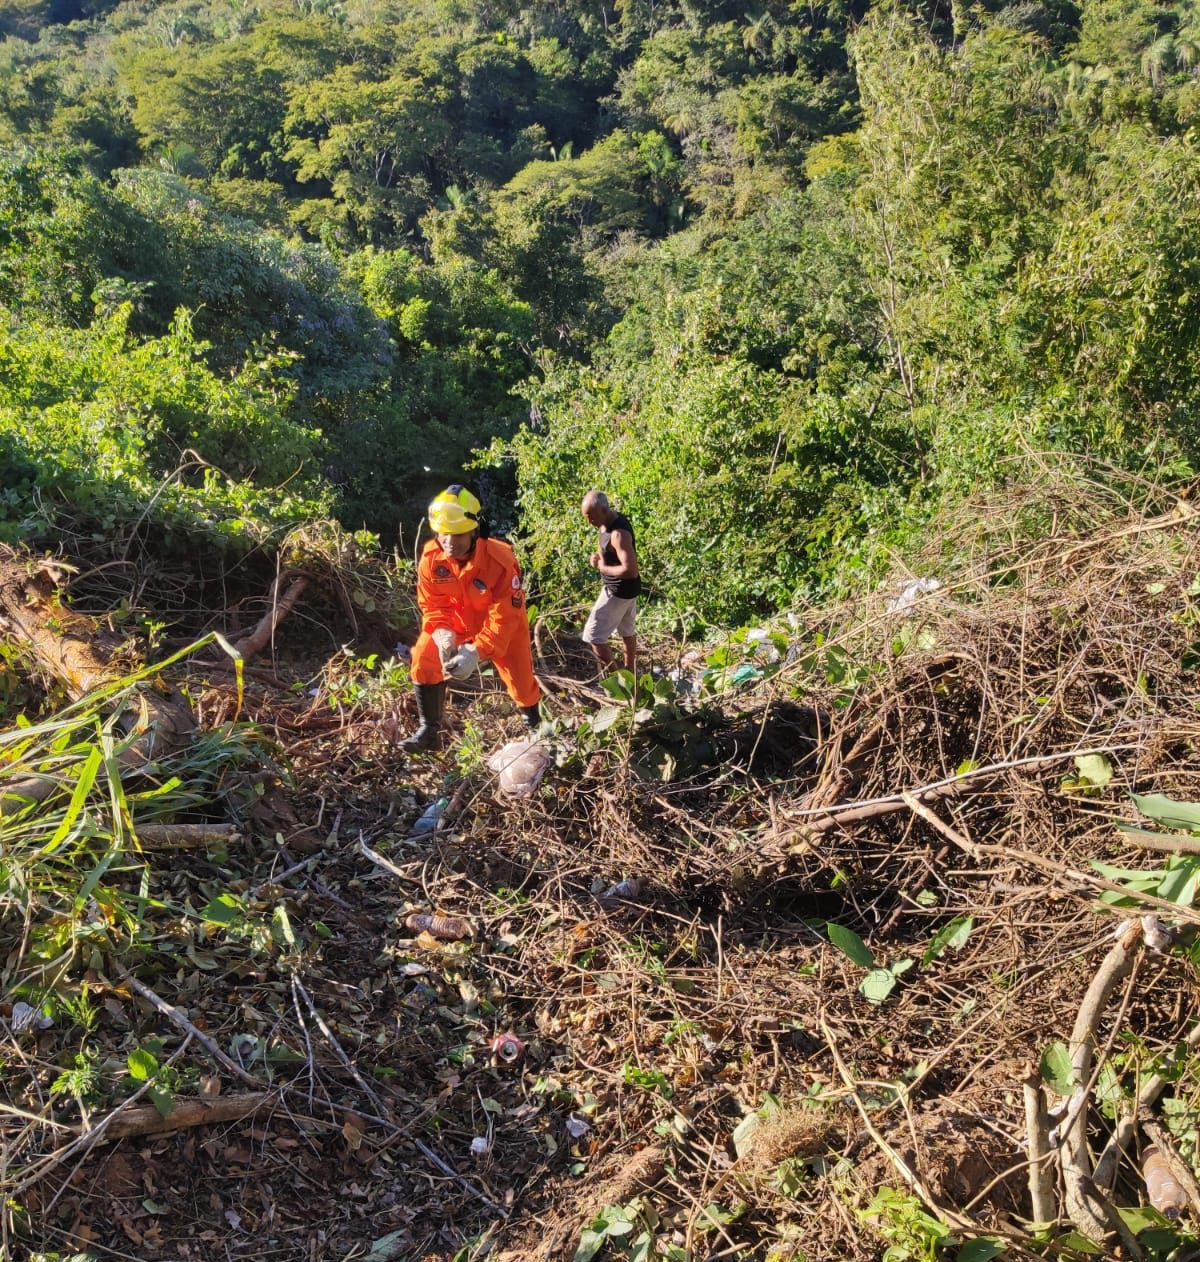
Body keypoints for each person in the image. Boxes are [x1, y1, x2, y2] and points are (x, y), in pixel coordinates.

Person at [401, 485, 541, 751]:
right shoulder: (432, 558)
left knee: (521, 681)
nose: (449, 542)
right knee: (424, 656)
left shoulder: (500, 560)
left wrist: (477, 652)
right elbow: (433, 603)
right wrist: (442, 633)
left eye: (458, 535)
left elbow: (505, 617)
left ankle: (536, 727)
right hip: (456, 624)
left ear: (475, 531)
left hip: (501, 631)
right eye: (443, 534)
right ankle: (430, 731)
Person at [580, 490, 641, 673]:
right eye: (586, 517)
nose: (589, 522)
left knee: (593, 636)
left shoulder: (618, 533)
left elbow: (630, 570)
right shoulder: (606, 522)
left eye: (591, 517)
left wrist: (604, 569)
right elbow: (608, 550)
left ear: (604, 510)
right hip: (628, 591)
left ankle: (618, 679)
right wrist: (598, 558)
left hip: (618, 591)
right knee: (627, 631)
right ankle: (630, 671)